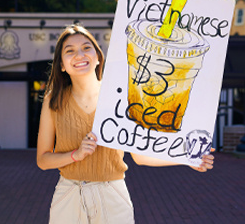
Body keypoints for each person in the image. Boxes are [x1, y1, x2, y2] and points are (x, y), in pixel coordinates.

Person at [37, 24, 214, 224]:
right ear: (62, 64)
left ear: (97, 57)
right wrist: (75, 155)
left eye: (87, 48)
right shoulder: (54, 101)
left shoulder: (120, 95)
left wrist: (187, 158)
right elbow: (43, 160)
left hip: (112, 195)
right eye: (70, 51)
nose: (80, 54)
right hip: (68, 195)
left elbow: (140, 156)